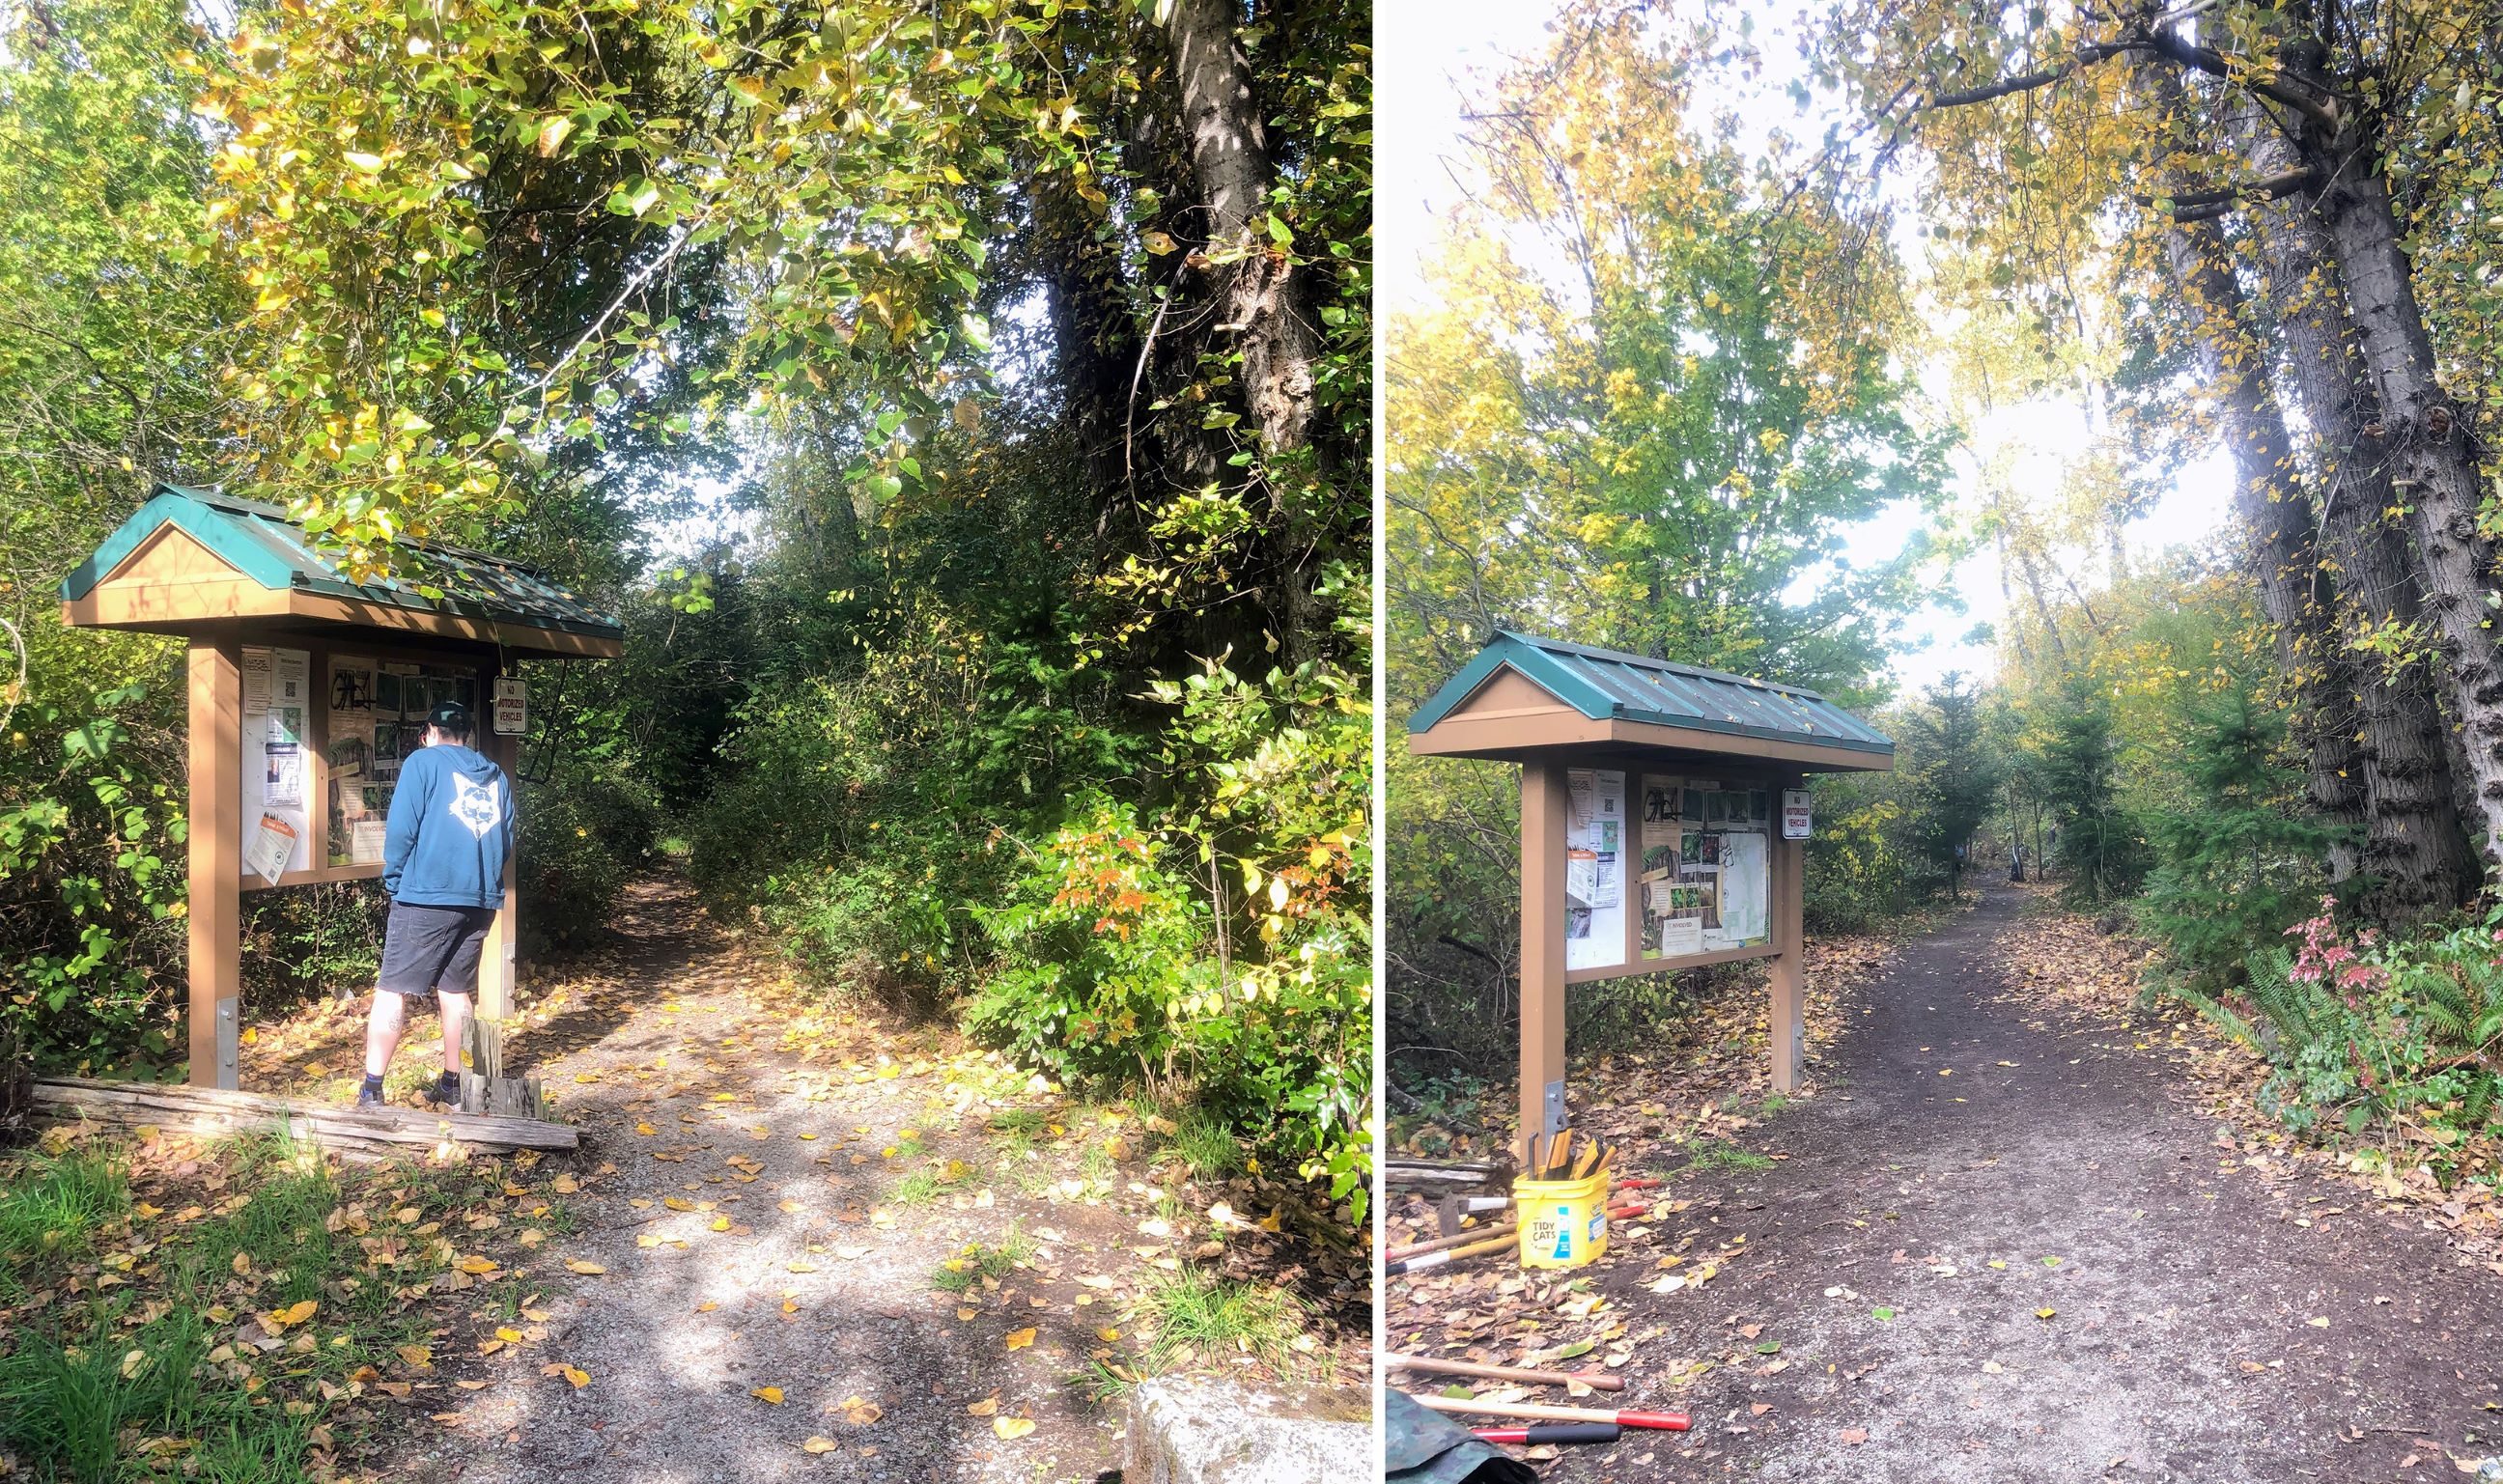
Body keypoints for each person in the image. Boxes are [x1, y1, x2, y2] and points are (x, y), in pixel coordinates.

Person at [358, 701, 517, 1108]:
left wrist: (395, 881)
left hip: (426, 896)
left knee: (392, 990)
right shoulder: (495, 775)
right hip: (479, 900)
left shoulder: (422, 763)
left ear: (429, 731)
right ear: (467, 735)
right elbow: (508, 839)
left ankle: (372, 1089)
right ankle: (454, 1085)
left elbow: (401, 830)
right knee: (456, 990)